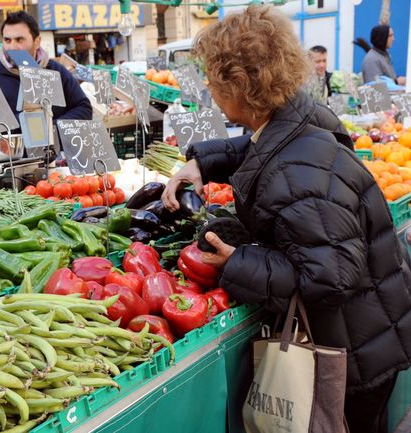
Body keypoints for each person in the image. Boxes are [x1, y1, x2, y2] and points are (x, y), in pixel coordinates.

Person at [162, 6, 411, 433]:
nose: (208, 85)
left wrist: (238, 262)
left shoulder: (294, 175)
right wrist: (204, 162)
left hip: (352, 356)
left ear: (240, 86)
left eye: (214, 78)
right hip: (373, 328)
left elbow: (329, 279)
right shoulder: (302, 115)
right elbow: (267, 148)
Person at [0, 11, 92, 122]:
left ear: (37, 42)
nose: (12, 47)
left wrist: (53, 128)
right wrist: (23, 121)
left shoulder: (56, 71)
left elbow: (84, 108)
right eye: (7, 40)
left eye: (19, 40)